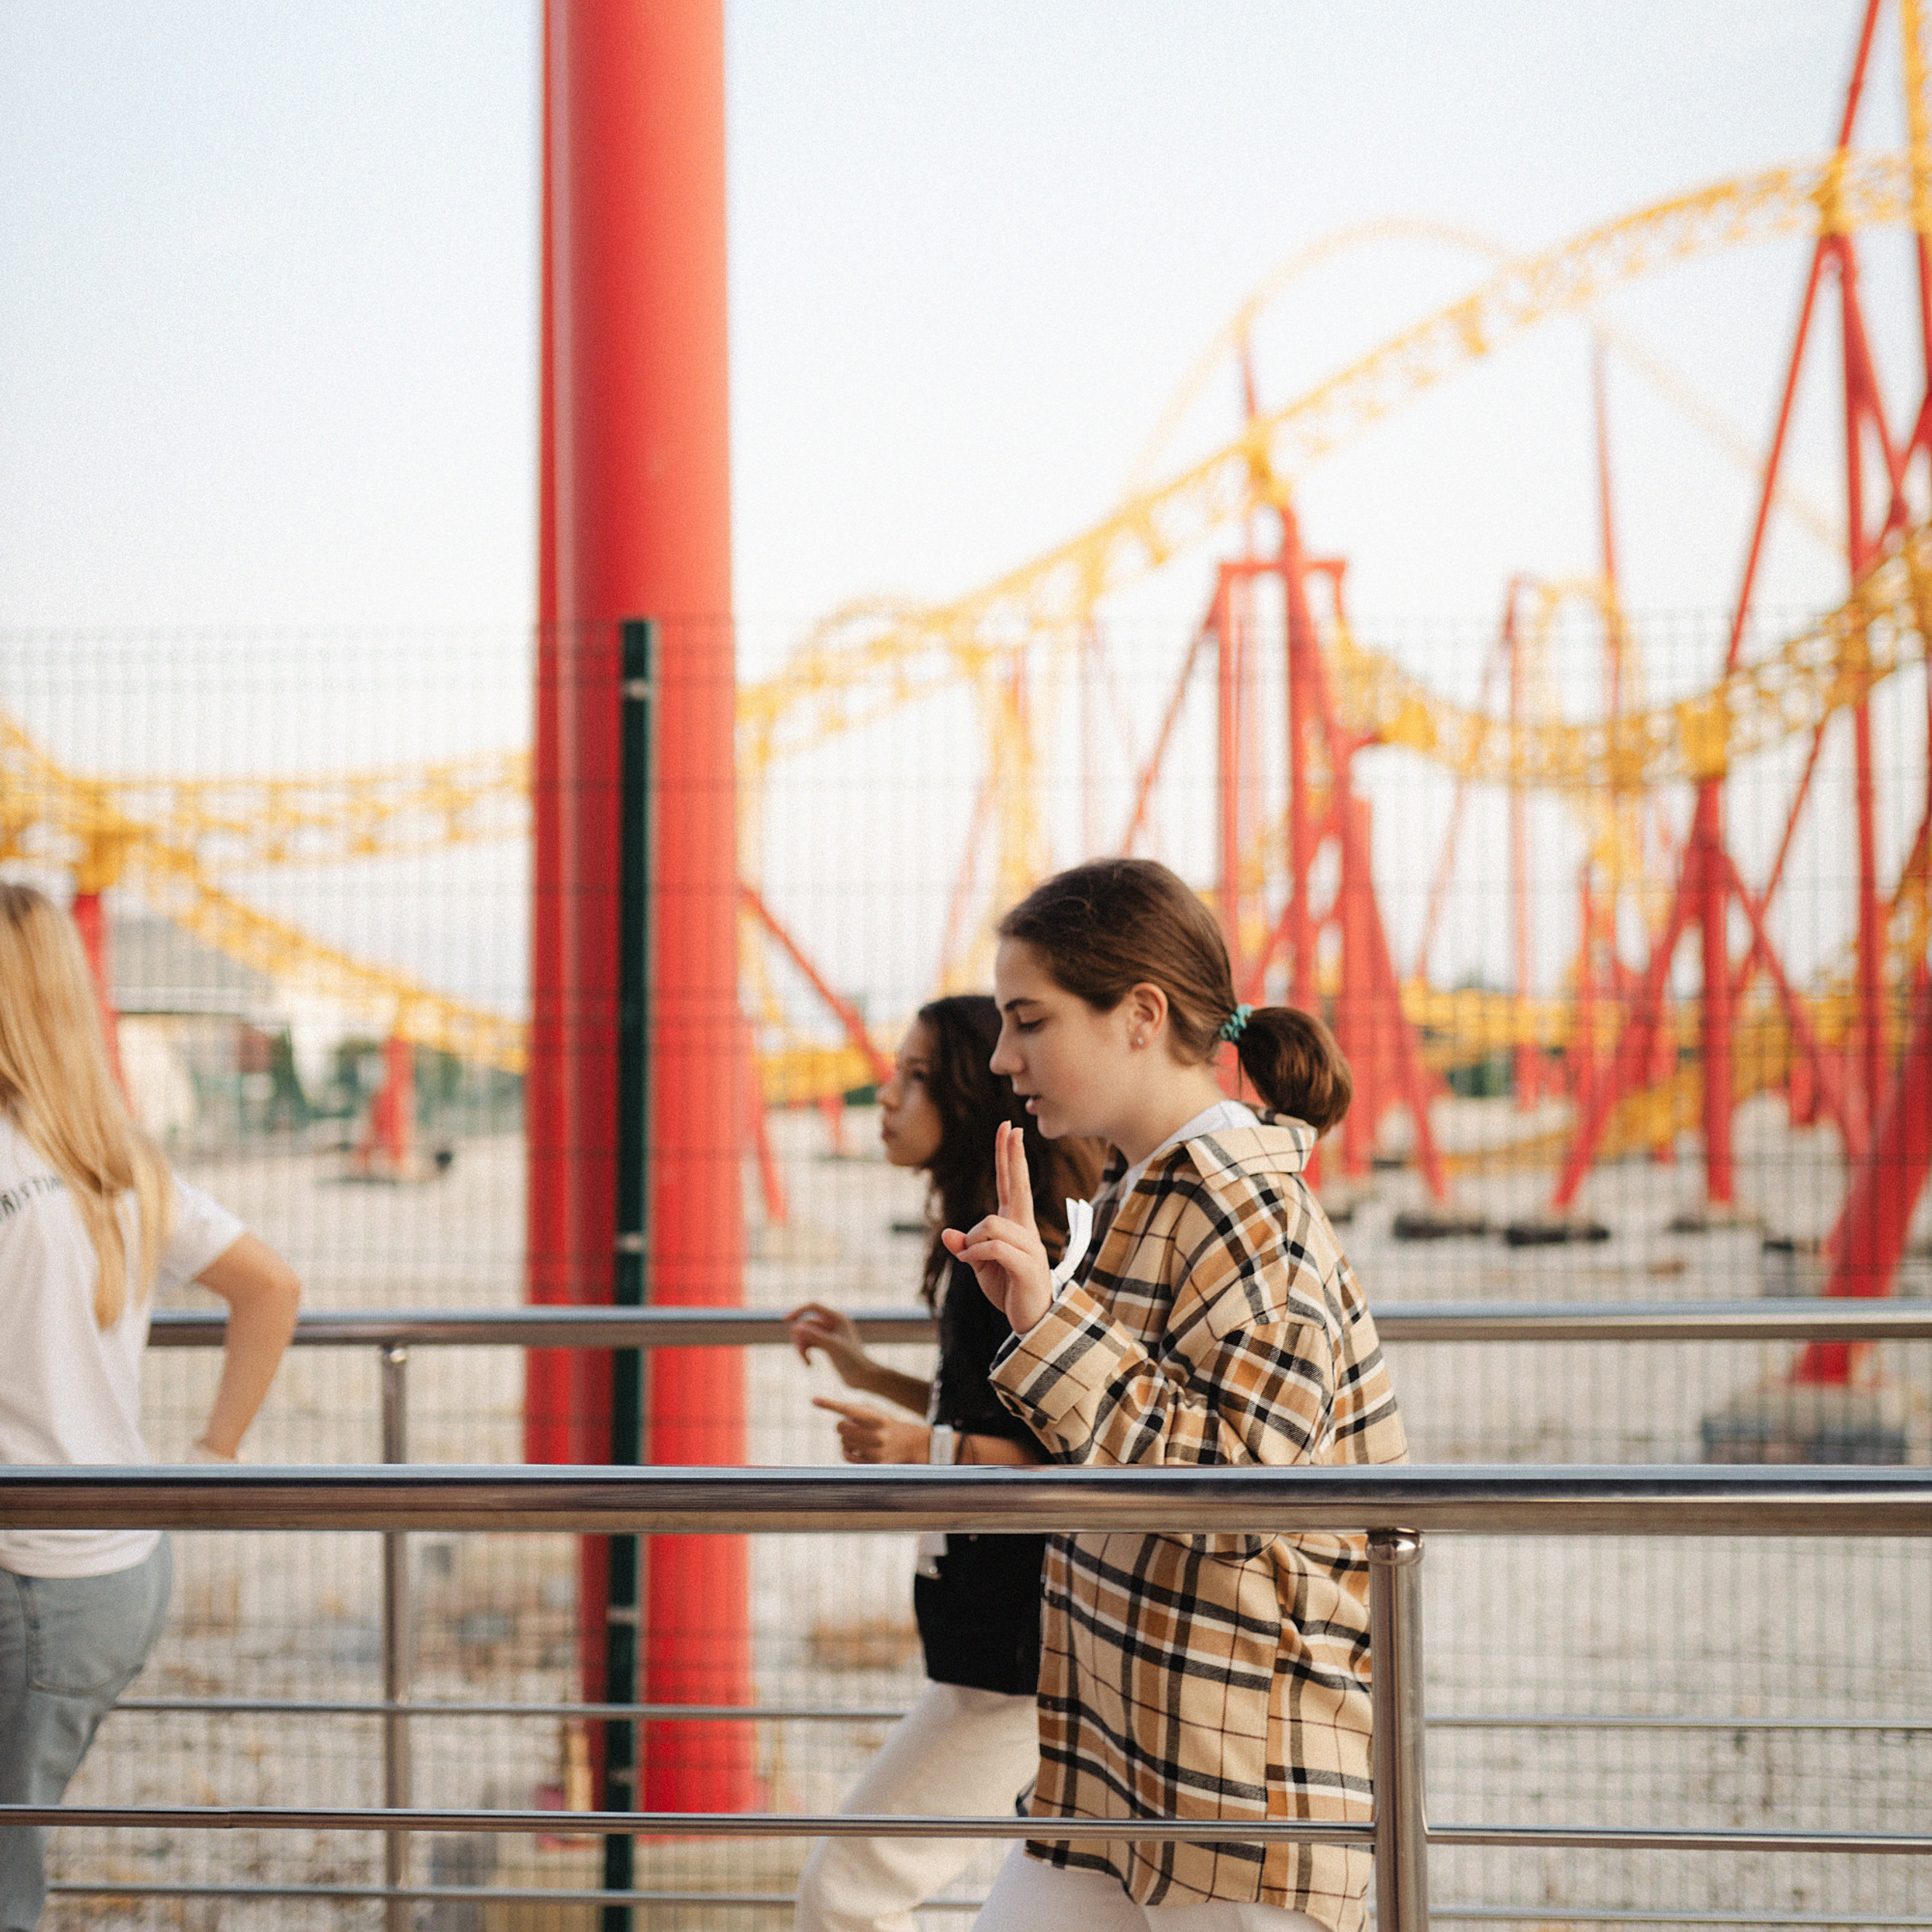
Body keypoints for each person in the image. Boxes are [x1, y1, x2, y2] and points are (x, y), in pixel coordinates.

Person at [940, 858, 1409, 1932]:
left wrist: (1048, 1328)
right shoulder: (1146, 1190)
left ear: (1141, 1015)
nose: (1004, 1055)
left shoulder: (1243, 1207)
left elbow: (1242, 1487)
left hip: (1239, 1781)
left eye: (1029, 1020)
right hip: (1128, 1759)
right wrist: (1042, 1316)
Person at [0, 883, 302, 1930]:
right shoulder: (112, 1155)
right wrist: (211, 1456)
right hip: (117, 1560)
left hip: (26, 1573)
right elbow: (271, 1286)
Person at [787, 993, 1101, 1932]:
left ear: (968, 1098)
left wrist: (917, 1449)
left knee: (844, 1892)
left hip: (1016, 1648)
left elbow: (1062, 1452)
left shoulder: (1005, 1253)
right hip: (1024, 1637)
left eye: (915, 1076)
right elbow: (991, 1403)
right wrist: (869, 1373)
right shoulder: (991, 1239)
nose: (886, 1096)